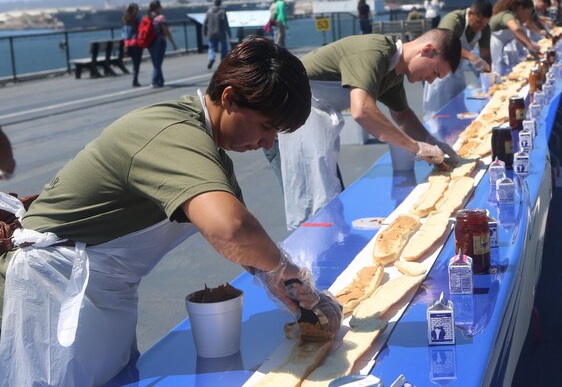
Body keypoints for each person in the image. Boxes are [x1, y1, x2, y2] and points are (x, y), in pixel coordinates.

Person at [0, 38, 341, 386]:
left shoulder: (210, 154)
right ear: (228, 98)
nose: (268, 144)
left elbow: (250, 250)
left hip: (100, 290)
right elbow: (231, 229)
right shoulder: (174, 134)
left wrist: (293, 289)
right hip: (54, 288)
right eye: (267, 126)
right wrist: (287, 267)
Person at [276, 29, 462, 230]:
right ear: (426, 50)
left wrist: (434, 142)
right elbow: (362, 110)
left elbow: (402, 115)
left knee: (328, 198)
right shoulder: (375, 52)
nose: (431, 80)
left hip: (315, 120)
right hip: (288, 114)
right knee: (312, 204)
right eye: (434, 72)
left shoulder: (394, 72)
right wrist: (416, 147)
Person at [423, 0, 493, 119]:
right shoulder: (454, 20)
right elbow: (445, 44)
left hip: (458, 68)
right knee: (438, 112)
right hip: (439, 68)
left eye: (484, 24)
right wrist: (472, 57)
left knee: (458, 109)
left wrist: (489, 75)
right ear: (470, 14)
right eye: (478, 22)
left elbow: (485, 55)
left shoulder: (484, 29)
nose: (480, 26)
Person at [489, 0, 541, 75]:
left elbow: (519, 37)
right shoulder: (507, 15)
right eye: (528, 13)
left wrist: (530, 49)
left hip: (497, 50)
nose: (528, 17)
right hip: (490, 51)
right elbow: (516, 29)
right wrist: (530, 44)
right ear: (520, 8)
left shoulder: (514, 18)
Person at [146, 0, 177, 88]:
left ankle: (160, 80)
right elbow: (166, 31)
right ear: (157, 8)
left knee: (156, 62)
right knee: (158, 63)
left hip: (150, 42)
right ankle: (154, 81)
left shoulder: (148, 17)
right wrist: (173, 43)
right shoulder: (161, 18)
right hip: (159, 42)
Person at [203, 0, 231, 69]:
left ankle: (211, 58)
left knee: (211, 47)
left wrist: (204, 32)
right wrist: (229, 33)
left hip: (211, 33)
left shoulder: (209, 11)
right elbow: (226, 24)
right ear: (220, 3)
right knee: (224, 47)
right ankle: (223, 61)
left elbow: (205, 23)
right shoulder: (222, 12)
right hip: (221, 32)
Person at [121, 3, 143, 87]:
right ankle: (135, 80)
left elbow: (124, 33)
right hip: (136, 43)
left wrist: (125, 44)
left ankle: (135, 79)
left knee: (135, 62)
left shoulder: (125, 19)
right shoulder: (136, 20)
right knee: (136, 63)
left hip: (127, 43)